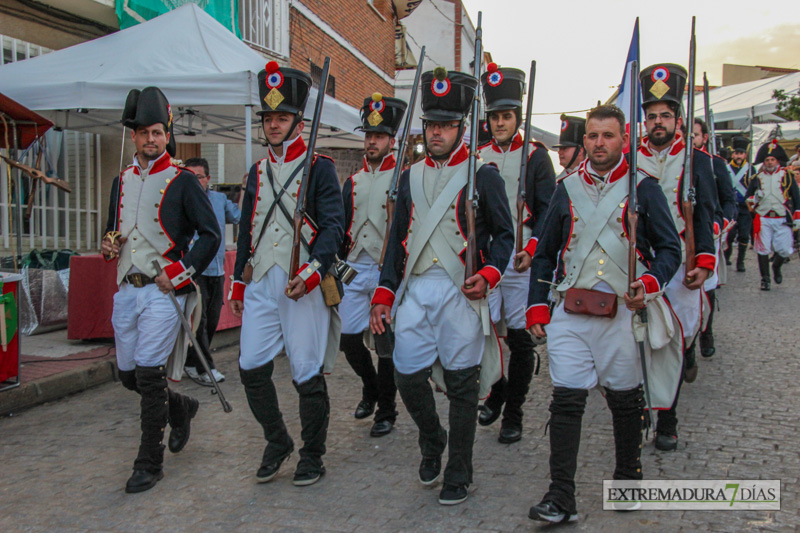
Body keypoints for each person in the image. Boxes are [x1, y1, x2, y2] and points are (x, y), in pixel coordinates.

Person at [526, 105, 682, 523]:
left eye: (607, 136)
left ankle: (627, 476)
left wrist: (649, 285)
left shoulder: (644, 188)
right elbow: (545, 252)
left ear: (623, 139)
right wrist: (537, 306)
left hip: (622, 312)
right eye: (592, 136)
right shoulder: (566, 187)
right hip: (571, 311)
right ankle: (561, 497)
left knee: (624, 398)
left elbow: (670, 249)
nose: (598, 144)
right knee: (566, 400)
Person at [369, 67, 514, 506]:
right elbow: (396, 240)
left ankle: (459, 471)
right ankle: (433, 439)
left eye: (446, 125)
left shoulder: (483, 173)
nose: (437, 132)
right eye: (432, 124)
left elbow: (505, 235)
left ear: (461, 127)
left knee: (462, 383)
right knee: (405, 373)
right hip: (416, 288)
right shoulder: (408, 176)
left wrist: (489, 275)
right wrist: (384, 292)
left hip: (460, 290)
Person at [229, 62, 344, 487]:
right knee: (250, 365)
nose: (273, 125)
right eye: (269, 118)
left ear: (298, 121)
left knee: (306, 371)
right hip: (262, 280)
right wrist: (240, 282)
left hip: (302, 284)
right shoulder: (257, 173)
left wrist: (313, 273)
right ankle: (277, 440)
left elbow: (333, 228)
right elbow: (247, 231)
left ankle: (313, 454)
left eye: (281, 118)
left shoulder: (321, 167)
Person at [102, 87, 220, 493]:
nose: (150, 139)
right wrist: (108, 243)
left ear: (167, 135)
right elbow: (113, 230)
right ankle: (182, 407)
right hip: (126, 287)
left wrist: (182, 273)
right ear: (133, 137)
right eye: (143, 133)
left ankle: (148, 462)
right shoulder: (121, 181)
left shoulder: (183, 181)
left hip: (163, 291)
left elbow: (210, 235)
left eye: (157, 132)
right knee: (129, 374)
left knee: (150, 374)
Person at [637, 64, 718, 451]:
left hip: (682, 259)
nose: (657, 122)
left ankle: (668, 417)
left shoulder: (697, 160)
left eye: (665, 115)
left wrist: (703, 261)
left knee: (676, 340)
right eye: (651, 116)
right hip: (643, 260)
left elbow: (703, 213)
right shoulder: (631, 159)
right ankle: (642, 407)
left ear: (678, 119)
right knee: (642, 337)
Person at [476, 63, 556, 444]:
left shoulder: (537, 156)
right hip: (489, 258)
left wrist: (533, 248)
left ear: (517, 117)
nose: (499, 123)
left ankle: (514, 411)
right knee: (484, 333)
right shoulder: (476, 156)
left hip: (522, 260)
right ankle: (496, 389)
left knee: (521, 341)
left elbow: (549, 213)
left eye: (506, 116)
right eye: (494, 117)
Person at [338, 93, 407, 437]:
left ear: (391, 141)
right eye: (368, 136)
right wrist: (338, 271)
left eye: (378, 137)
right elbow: (340, 229)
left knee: (385, 345)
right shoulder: (352, 181)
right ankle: (371, 389)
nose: (372, 142)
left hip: (385, 270)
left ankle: (387, 410)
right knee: (348, 338)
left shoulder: (405, 179)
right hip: (354, 267)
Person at [183, 157, 241, 385]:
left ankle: (190, 361)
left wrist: (247, 190)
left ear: (208, 179)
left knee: (212, 319)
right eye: (189, 177)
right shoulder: (182, 199)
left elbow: (239, 217)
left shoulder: (219, 199)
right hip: (195, 270)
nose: (195, 182)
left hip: (216, 269)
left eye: (198, 177)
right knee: (200, 319)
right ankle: (206, 367)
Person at [691, 119, 736, 358]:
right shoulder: (681, 163)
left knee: (706, 286)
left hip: (710, 232)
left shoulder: (714, 164)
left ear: (705, 137)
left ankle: (706, 331)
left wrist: (720, 223)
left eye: (696, 135)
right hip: (683, 234)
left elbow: (728, 200)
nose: (692, 139)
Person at [745, 141, 800, 290]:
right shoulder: (757, 178)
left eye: (772, 160)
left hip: (782, 217)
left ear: (777, 161)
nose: (769, 163)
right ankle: (765, 279)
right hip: (763, 218)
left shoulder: (787, 176)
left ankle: (776, 267)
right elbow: (748, 197)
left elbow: (796, 197)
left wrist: (797, 216)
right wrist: (754, 198)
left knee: (784, 250)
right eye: (767, 160)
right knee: (762, 249)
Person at [725, 136, 755, 272]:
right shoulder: (725, 168)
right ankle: (726, 256)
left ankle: (741, 261)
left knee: (743, 235)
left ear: (745, 155)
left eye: (741, 153)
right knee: (729, 235)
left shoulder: (751, 170)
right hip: (731, 206)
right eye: (736, 153)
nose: (738, 156)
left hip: (744, 207)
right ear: (733, 154)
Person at [553, 115, 587, 179]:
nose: (559, 152)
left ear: (580, 151)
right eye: (560, 148)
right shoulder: (559, 182)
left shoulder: (592, 178)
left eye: (564, 148)